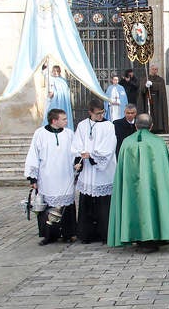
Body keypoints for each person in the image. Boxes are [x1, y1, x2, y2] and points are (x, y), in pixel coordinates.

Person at [107, 113, 169, 252]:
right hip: (154, 184)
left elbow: (121, 167)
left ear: (135, 125)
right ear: (152, 126)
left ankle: (136, 236)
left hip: (131, 185)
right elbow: (164, 170)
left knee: (132, 202)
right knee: (156, 201)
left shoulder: (126, 142)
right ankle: (156, 236)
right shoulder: (157, 142)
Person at [24, 108, 77, 245]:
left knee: (66, 205)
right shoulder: (40, 134)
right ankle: (49, 235)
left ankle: (68, 233)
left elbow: (76, 151)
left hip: (65, 175)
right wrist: (32, 178)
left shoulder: (69, 134)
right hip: (47, 177)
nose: (66, 121)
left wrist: (77, 163)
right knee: (47, 207)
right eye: (64, 119)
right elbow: (33, 155)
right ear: (54, 120)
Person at [71, 99, 117, 244]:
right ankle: (86, 234)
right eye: (97, 113)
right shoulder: (82, 125)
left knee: (104, 206)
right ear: (90, 112)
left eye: (102, 112)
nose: (100, 116)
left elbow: (109, 145)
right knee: (87, 204)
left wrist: (93, 155)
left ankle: (105, 234)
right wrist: (81, 152)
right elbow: (76, 142)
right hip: (88, 171)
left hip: (103, 171)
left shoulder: (109, 125)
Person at [138, 64, 169, 134]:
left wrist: (152, 84)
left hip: (157, 101)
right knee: (149, 114)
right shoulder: (145, 79)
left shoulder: (160, 80)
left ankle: (159, 128)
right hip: (148, 100)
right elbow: (142, 90)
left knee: (158, 115)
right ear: (150, 70)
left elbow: (160, 87)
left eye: (155, 69)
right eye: (153, 69)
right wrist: (146, 86)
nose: (154, 71)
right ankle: (148, 127)